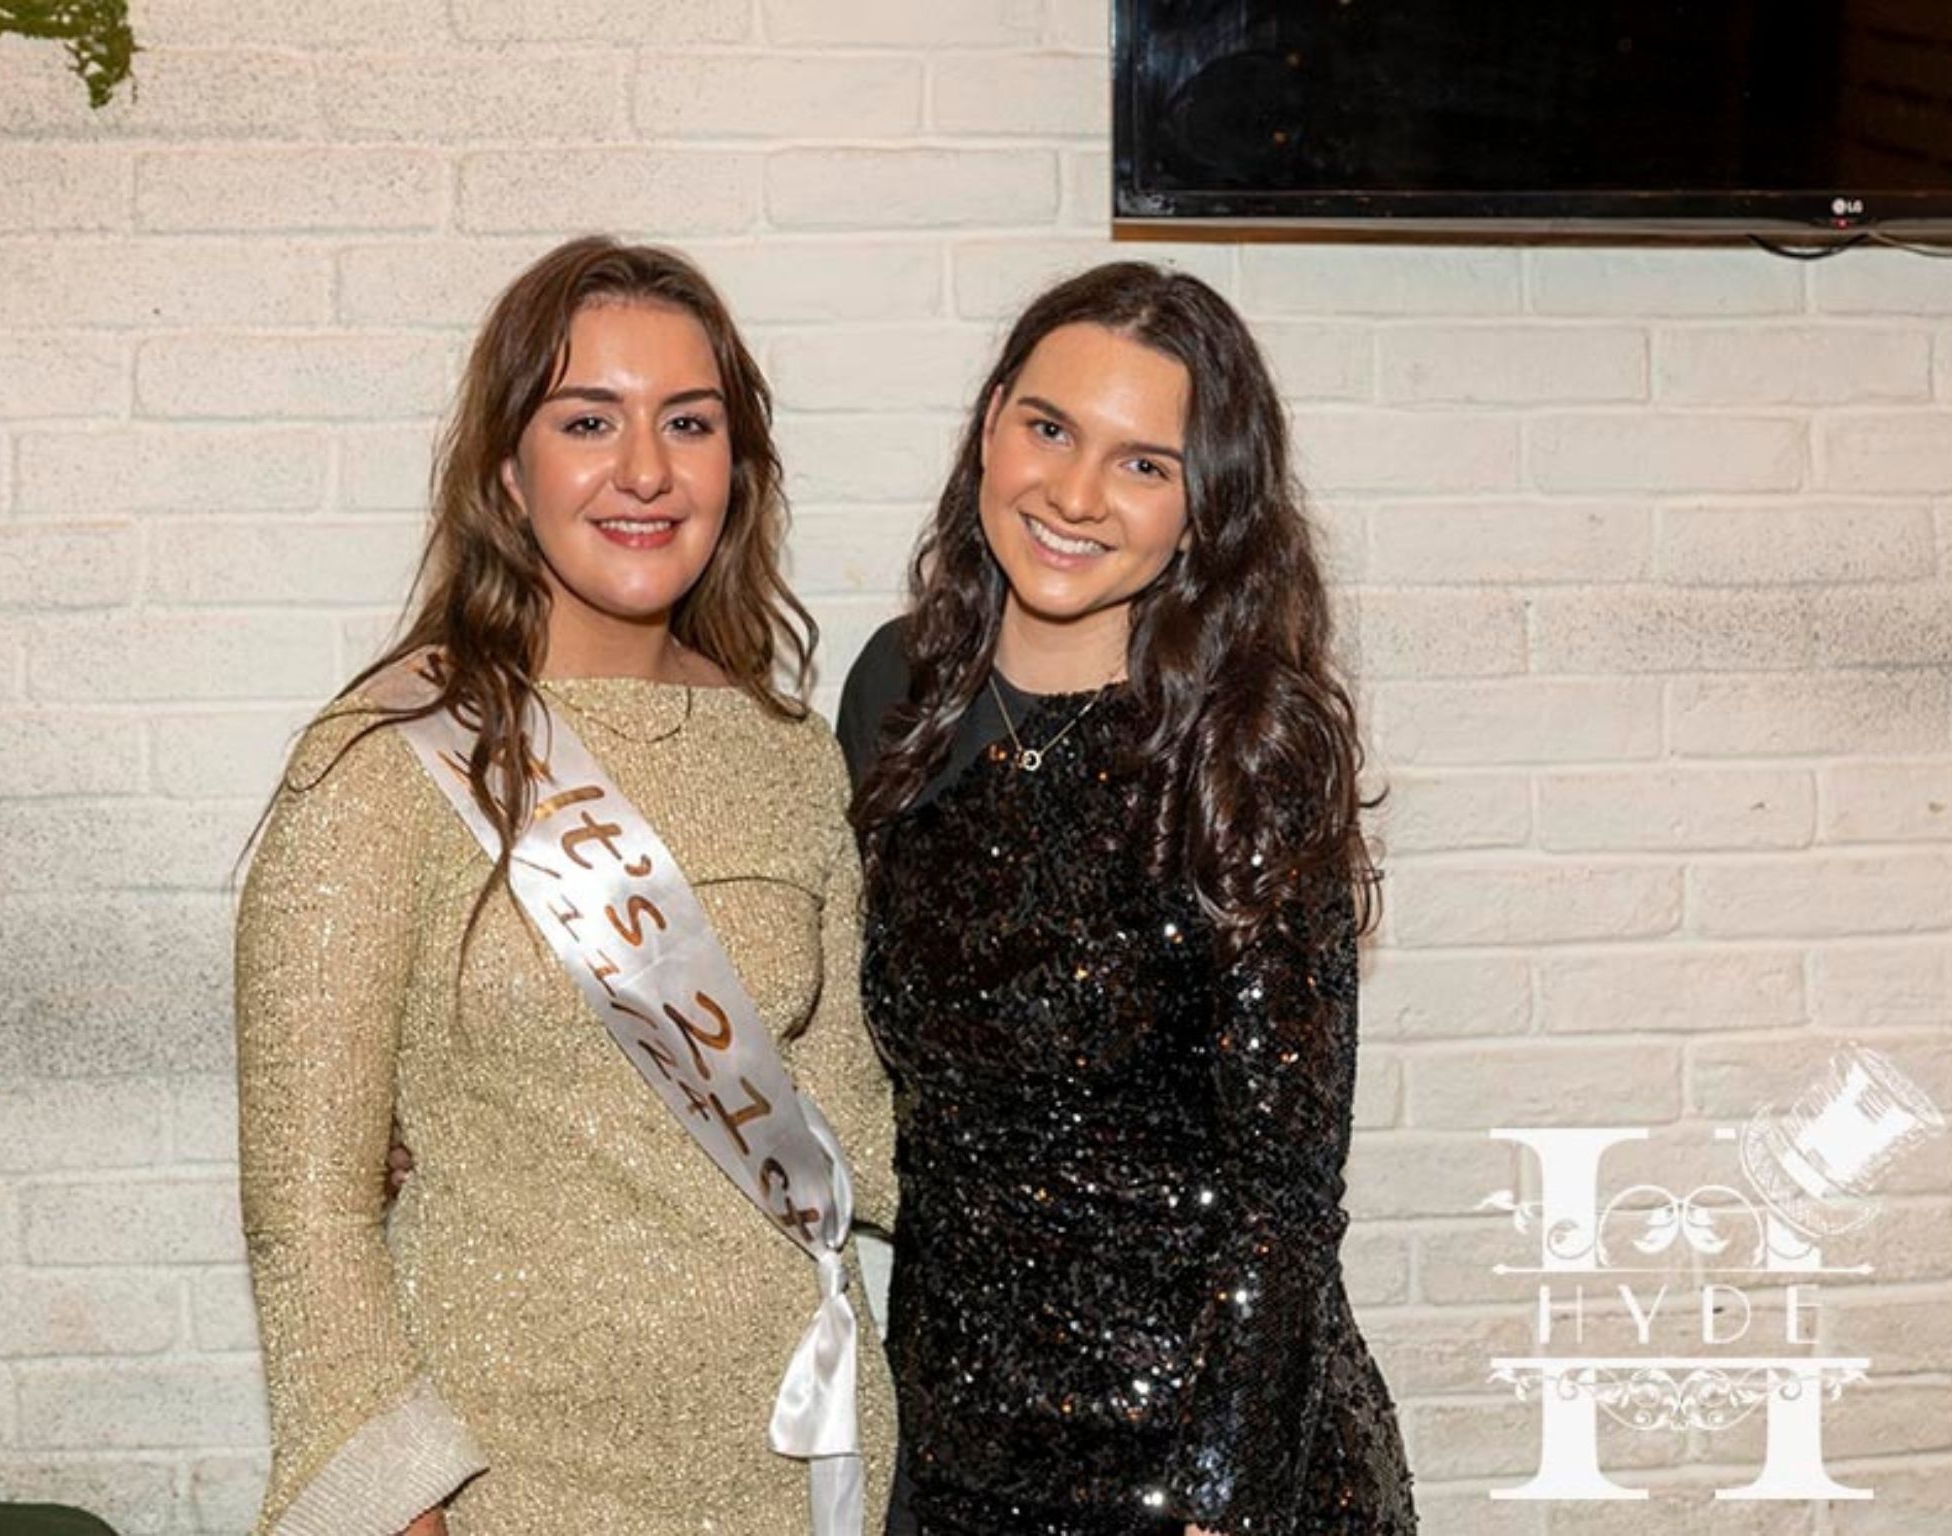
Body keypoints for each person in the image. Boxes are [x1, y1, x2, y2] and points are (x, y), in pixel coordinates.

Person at [236, 236, 896, 1536]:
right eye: (588, 420)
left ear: (735, 467)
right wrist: (394, 1508)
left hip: (791, 1458)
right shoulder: (383, 760)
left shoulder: (784, 753)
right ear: (507, 469)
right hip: (499, 1476)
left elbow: (854, 1127)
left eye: (688, 423)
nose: (645, 469)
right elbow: (305, 1210)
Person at [838, 262, 1418, 1536]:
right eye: (1048, 429)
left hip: (1200, 1466)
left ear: (1204, 508)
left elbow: (1282, 1196)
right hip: (958, 1447)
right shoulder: (895, 691)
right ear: (990, 424)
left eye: (1142, 464)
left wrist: (1220, 1503)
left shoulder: (1247, 749)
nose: (1074, 494)